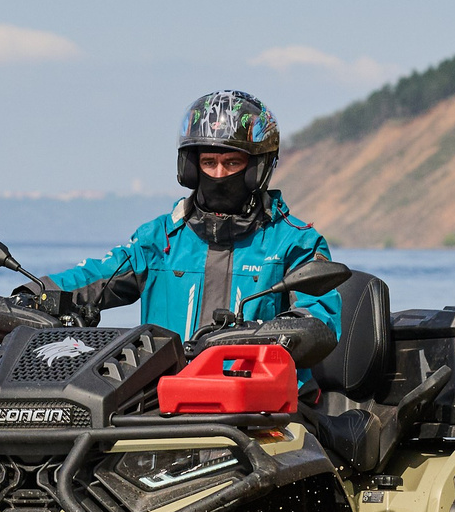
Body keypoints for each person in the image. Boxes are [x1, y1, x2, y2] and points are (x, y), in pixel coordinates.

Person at [35, 90, 343, 360]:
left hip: (263, 400)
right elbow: (96, 276)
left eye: (232, 163)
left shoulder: (295, 242)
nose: (219, 174)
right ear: (192, 168)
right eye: (209, 163)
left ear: (256, 168)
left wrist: (266, 334)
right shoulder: (160, 238)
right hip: (165, 398)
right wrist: (36, 293)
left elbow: (319, 317)